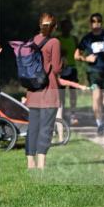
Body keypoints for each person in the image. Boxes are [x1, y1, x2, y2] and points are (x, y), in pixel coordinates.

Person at [24, 14, 63, 170]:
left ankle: (30, 163)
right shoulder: (54, 42)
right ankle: (41, 165)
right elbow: (57, 68)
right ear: (55, 27)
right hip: (48, 90)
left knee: (33, 127)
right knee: (46, 128)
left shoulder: (31, 41)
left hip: (33, 90)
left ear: (40, 25)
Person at [75, 13, 104, 134]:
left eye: (98, 21)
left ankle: (102, 112)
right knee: (96, 96)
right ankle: (99, 124)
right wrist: (86, 58)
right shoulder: (87, 38)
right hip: (93, 73)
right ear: (90, 23)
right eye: (93, 21)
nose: (96, 24)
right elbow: (76, 55)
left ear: (101, 22)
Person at [57, 18, 79, 125]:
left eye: (68, 27)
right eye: (64, 27)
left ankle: (73, 114)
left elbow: (78, 53)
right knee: (61, 94)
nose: (67, 29)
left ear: (71, 28)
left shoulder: (74, 39)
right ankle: (62, 113)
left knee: (73, 93)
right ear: (61, 28)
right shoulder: (57, 39)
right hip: (61, 70)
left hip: (72, 68)